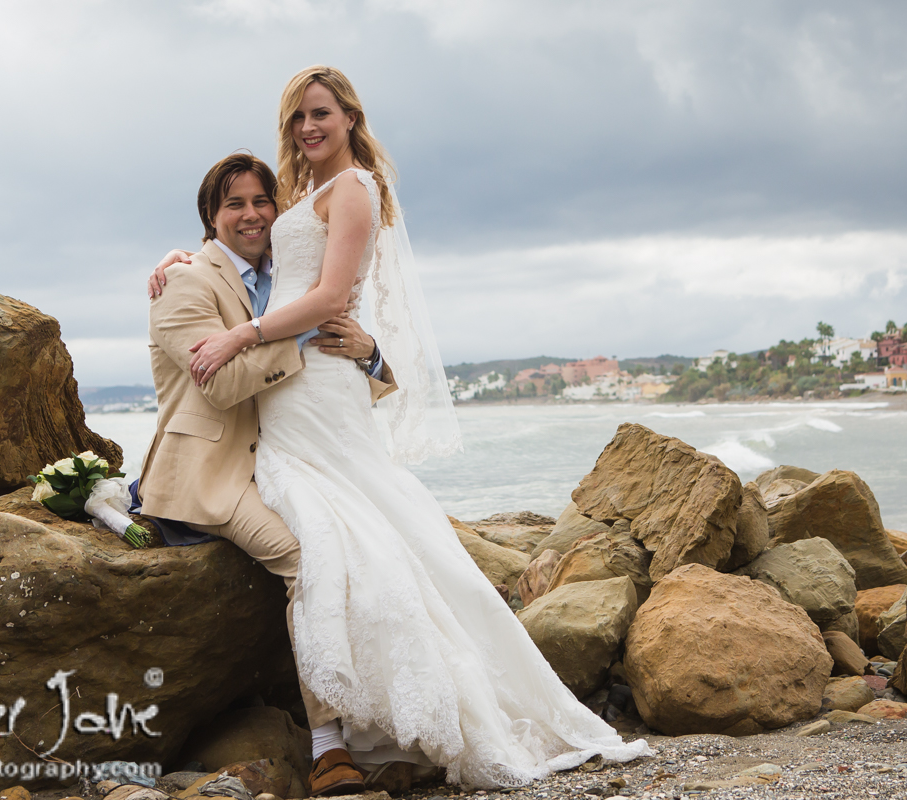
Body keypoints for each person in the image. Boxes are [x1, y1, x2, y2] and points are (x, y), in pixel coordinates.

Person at [152, 66, 651, 791]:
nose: (308, 128)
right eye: (297, 118)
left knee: (353, 532)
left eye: (320, 113)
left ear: (351, 116)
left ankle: (380, 722)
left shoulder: (354, 188)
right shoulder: (307, 195)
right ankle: (353, 724)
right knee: (353, 530)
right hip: (295, 388)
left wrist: (244, 336)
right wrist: (182, 255)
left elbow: (326, 294)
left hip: (313, 384)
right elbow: (260, 253)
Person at [138, 152, 397, 795]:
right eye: (235, 205)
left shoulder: (287, 282)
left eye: (262, 202)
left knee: (370, 543)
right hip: (213, 471)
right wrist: (299, 332)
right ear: (210, 218)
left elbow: (339, 347)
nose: (252, 215)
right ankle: (328, 745)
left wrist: (369, 354)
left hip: (287, 454)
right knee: (308, 558)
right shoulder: (184, 283)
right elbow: (221, 383)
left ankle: (385, 720)